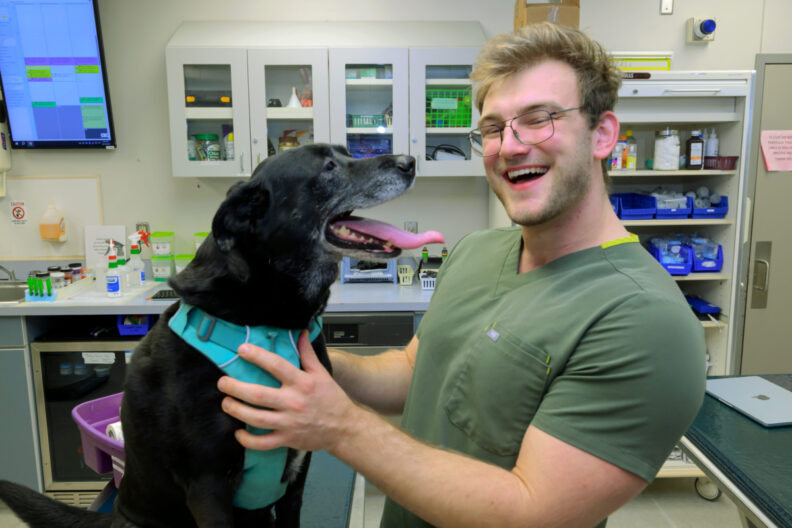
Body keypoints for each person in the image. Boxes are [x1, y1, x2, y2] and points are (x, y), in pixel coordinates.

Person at [217, 22, 706, 528]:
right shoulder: (477, 250)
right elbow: (415, 373)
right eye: (493, 128)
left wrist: (340, 427)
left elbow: (530, 511)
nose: (510, 146)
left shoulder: (646, 321)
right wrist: (307, 363)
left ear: (602, 134)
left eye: (539, 119)